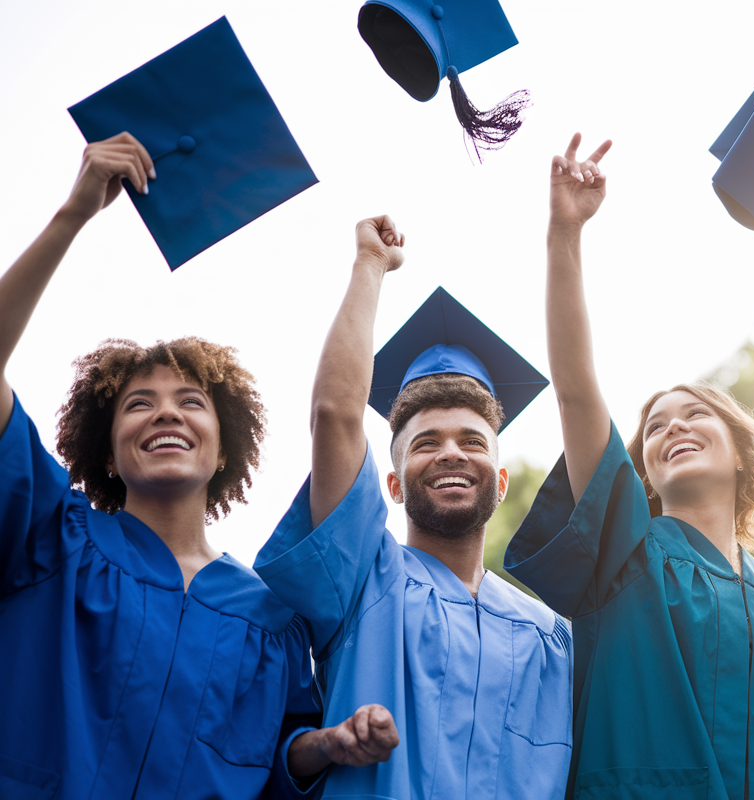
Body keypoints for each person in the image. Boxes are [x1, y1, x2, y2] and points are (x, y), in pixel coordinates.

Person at [0, 135, 397, 799]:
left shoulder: (270, 620)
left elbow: (279, 759)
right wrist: (72, 216)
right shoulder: (55, 539)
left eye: (191, 403)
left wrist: (323, 746)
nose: (166, 415)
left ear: (223, 449)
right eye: (139, 405)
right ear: (106, 448)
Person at [503, 134, 754, 799]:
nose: (673, 425)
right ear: (642, 470)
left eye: (695, 415)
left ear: (740, 452)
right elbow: (575, 390)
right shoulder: (625, 553)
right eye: (654, 427)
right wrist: (565, 235)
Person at [254, 216, 573, 799]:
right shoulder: (364, 579)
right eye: (425, 443)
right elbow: (335, 415)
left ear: (501, 481)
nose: (451, 453)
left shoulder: (553, 638)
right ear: (394, 485)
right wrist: (370, 267)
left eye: (472, 441)